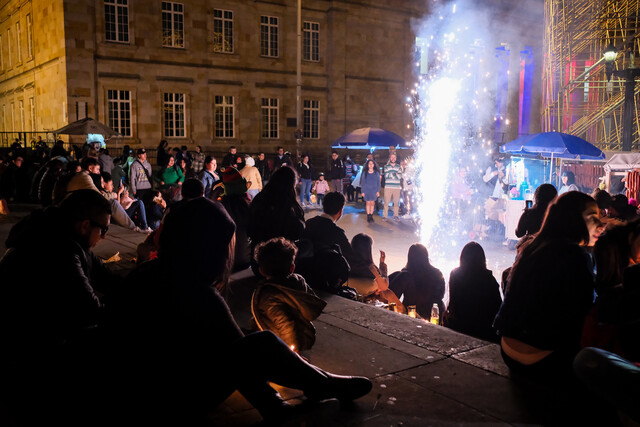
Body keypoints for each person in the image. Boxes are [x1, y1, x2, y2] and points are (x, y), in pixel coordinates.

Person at [110, 197, 372, 424]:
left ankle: (315, 383)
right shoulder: (195, 291)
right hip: (173, 399)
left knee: (250, 343)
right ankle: (309, 389)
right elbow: (243, 353)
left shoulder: (149, 274)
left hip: (145, 389)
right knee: (260, 344)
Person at [0, 190, 122, 425]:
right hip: (24, 354)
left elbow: (108, 280)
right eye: (104, 229)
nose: (105, 236)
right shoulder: (56, 248)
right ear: (85, 225)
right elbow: (90, 310)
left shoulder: (67, 238)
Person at [494, 191, 604, 381]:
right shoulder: (576, 255)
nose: (600, 225)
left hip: (508, 348)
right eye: (592, 217)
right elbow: (585, 309)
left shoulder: (532, 246)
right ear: (573, 220)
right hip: (541, 356)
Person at [251, 237, 326, 352]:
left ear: (261, 270)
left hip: (286, 342)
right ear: (292, 268)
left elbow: (287, 326)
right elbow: (309, 301)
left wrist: (293, 354)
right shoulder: (298, 281)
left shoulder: (269, 295)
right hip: (304, 332)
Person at [248, 166, 305, 274]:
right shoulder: (288, 205)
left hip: (258, 262)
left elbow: (250, 228)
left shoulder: (259, 199)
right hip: (282, 263)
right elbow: (298, 231)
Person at [444, 242, 502, 342]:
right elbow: (497, 309)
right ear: (482, 260)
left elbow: (453, 306)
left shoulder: (455, 275)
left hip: (460, 326)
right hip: (485, 331)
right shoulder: (489, 279)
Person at [389, 243, 445, 321]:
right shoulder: (438, 273)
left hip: (411, 316)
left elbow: (390, 297)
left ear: (410, 258)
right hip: (434, 317)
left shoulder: (406, 275)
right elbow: (441, 296)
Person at [349, 233, 404, 310]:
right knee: (390, 288)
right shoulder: (369, 267)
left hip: (354, 291)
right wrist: (382, 265)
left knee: (397, 274)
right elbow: (384, 286)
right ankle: (404, 310)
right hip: (368, 295)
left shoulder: (349, 263)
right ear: (368, 250)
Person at [382, 153, 403, 220]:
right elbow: (386, 176)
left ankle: (396, 215)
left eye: (394, 157)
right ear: (390, 158)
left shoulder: (399, 167)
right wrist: (395, 174)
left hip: (396, 187)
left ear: (396, 158)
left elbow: (400, 176)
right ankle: (385, 216)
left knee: (396, 202)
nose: (393, 159)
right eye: (392, 157)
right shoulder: (386, 166)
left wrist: (391, 174)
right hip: (388, 187)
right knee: (386, 202)